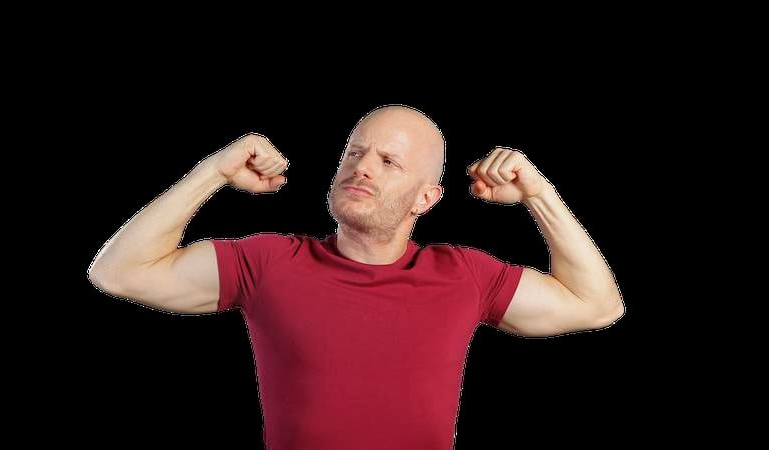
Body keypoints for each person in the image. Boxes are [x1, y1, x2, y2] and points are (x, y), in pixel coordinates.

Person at [88, 104, 624, 450]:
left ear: (426, 198)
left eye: (389, 162)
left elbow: (598, 305)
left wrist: (538, 195)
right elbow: (119, 272)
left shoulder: (464, 274)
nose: (361, 167)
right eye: (354, 152)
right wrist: (213, 172)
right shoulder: (268, 262)